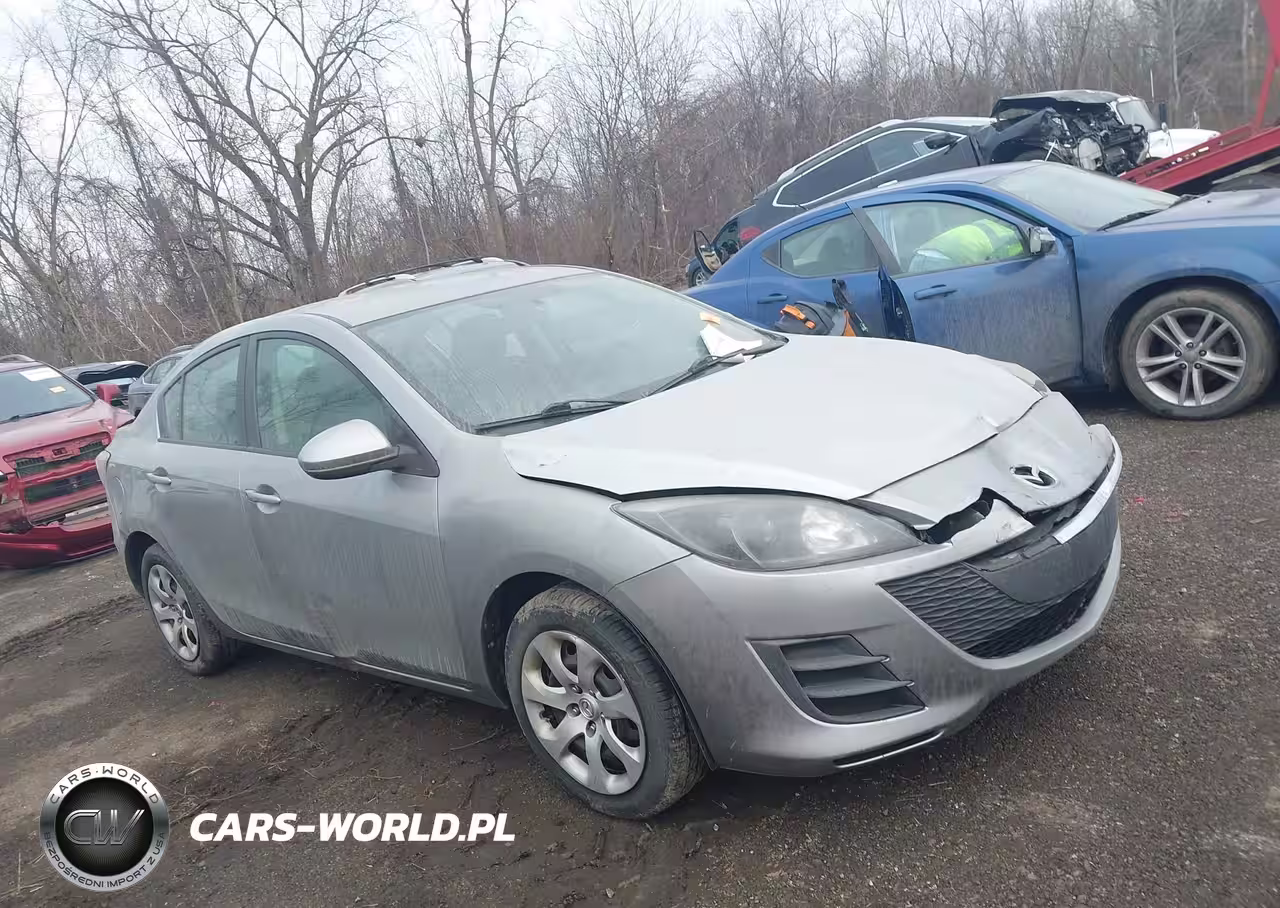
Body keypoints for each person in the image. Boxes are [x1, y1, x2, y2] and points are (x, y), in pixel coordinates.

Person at [910, 217, 1024, 272]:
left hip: (924, 255)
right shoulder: (1010, 239)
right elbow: (999, 268)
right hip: (939, 261)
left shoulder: (993, 224)